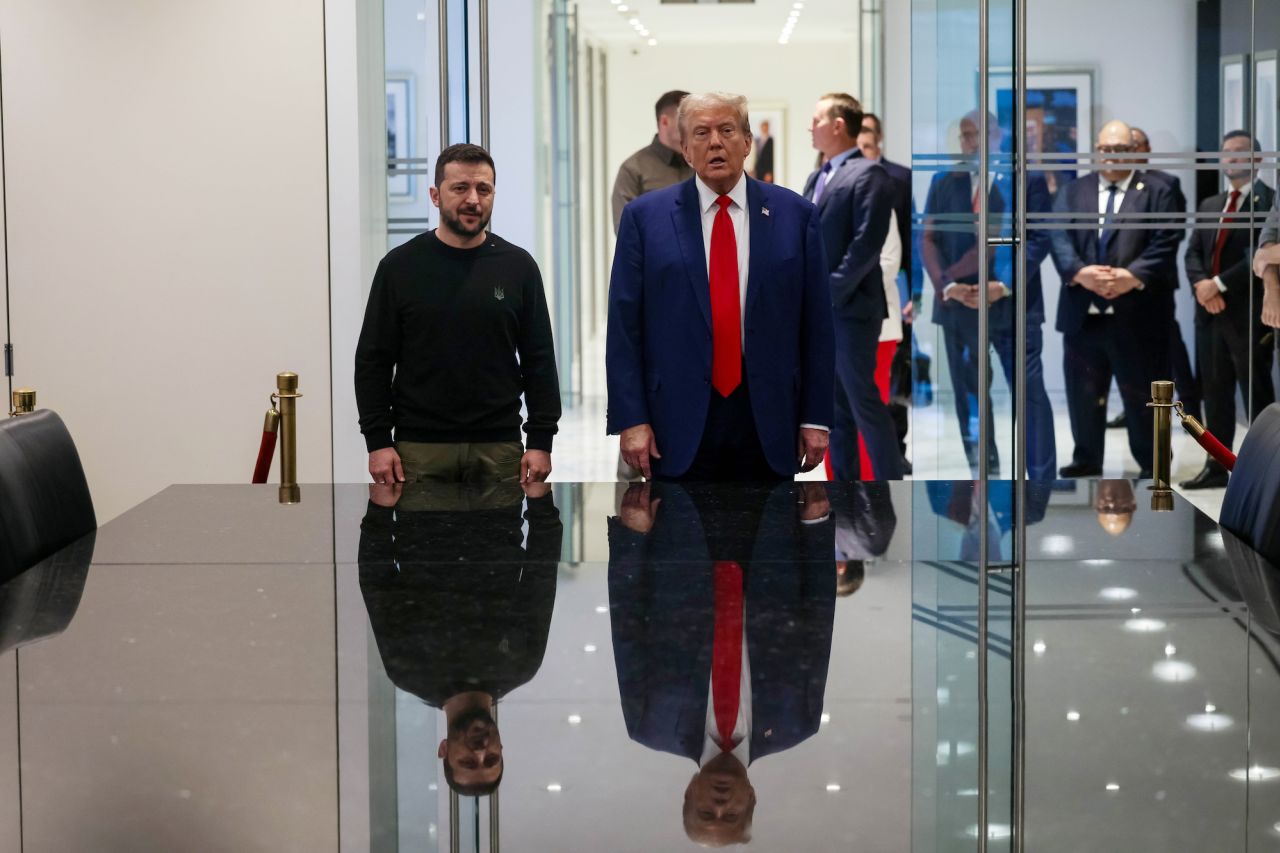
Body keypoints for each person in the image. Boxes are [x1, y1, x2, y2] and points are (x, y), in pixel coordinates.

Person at [606, 92, 835, 482]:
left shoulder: (796, 216)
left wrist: (815, 417)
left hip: (768, 417)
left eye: (727, 130)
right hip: (675, 419)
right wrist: (631, 419)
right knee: (680, 539)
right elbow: (624, 327)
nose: (715, 142)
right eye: (701, 133)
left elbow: (817, 324)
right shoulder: (645, 219)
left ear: (747, 142)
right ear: (684, 149)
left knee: (768, 537)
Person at [608, 480, 836, 846]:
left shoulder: (650, 725)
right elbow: (819, 620)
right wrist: (817, 529)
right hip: (769, 533)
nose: (719, 804)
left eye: (705, 812)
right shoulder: (797, 723)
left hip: (680, 531)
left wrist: (632, 538)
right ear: (752, 799)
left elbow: (627, 625)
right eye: (731, 814)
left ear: (688, 794)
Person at [355, 144, 560, 486]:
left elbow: (539, 359)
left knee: (498, 540)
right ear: (436, 195)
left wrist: (541, 440)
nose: (473, 200)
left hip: (499, 448)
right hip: (418, 451)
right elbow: (373, 360)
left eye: (484, 189)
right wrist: (377, 441)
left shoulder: (518, 267)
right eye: (460, 188)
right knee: (420, 541)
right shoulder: (399, 267)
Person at [358, 480, 563, 796]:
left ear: (443, 750)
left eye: (468, 762)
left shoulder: (407, 672)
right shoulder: (522, 666)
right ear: (501, 747)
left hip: (420, 505)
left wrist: (379, 511)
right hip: (498, 502)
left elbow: (377, 582)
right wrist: (540, 502)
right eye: (491, 758)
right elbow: (542, 574)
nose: (481, 752)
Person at [920, 111, 1058, 478]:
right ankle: (986, 479)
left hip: (1014, 307)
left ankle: (1040, 483)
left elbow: (1039, 239)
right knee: (971, 401)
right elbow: (928, 239)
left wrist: (1003, 284)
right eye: (966, 135)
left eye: (979, 133)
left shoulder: (1024, 181)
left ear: (997, 135)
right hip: (959, 309)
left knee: (1030, 398)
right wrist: (948, 286)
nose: (972, 142)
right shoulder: (943, 181)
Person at [1048, 119, 1184, 478]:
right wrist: (1081, 273)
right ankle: (1086, 460)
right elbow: (1058, 235)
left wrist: (1131, 276)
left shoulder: (1160, 189)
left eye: (1121, 150)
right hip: (1084, 315)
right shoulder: (1074, 191)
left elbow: (1166, 239)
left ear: (1133, 151)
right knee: (1083, 397)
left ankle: (1154, 467)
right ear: (1096, 150)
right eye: (1106, 150)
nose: (1112, 156)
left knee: (1142, 400)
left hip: (1138, 316)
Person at [803, 92, 902, 480]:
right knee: (835, 413)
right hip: (825, 311)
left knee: (864, 405)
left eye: (817, 119)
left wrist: (827, 292)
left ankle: (888, 493)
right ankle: (843, 501)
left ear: (838, 125)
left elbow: (866, 245)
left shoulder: (868, 173)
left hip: (852, 310)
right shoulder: (819, 175)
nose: (811, 127)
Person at [1181, 131, 1275, 490]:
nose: (1231, 159)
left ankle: (1264, 470)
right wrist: (1202, 286)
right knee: (1214, 394)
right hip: (1209, 314)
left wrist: (1217, 285)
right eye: (1226, 152)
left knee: (1257, 395)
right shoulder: (1210, 203)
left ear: (1257, 159)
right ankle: (1217, 464)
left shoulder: (1270, 203)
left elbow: (1259, 253)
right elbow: (1192, 253)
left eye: (1240, 152)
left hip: (1248, 313)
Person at [610, 90, 694, 482]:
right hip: (655, 307)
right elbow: (627, 244)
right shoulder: (635, 170)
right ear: (665, 122)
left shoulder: (701, 167)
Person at [1105, 127, 1198, 428]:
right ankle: (1136, 409)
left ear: (1143, 148)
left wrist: (1136, 272)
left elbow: (1171, 233)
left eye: (1134, 145)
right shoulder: (1113, 185)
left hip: (1154, 284)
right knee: (1128, 353)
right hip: (1120, 286)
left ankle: (1189, 407)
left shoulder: (1163, 184)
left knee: (1169, 348)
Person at [859, 113, 916, 469]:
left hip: (886, 300)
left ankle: (895, 452)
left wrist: (915, 294)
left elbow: (904, 248)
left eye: (865, 142)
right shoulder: (822, 184)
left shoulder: (895, 180)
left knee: (888, 387)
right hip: (848, 311)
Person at [610, 89, 692, 234]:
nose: (693, 125)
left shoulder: (702, 164)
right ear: (665, 121)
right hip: (656, 256)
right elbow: (626, 232)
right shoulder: (633, 169)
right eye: (686, 119)